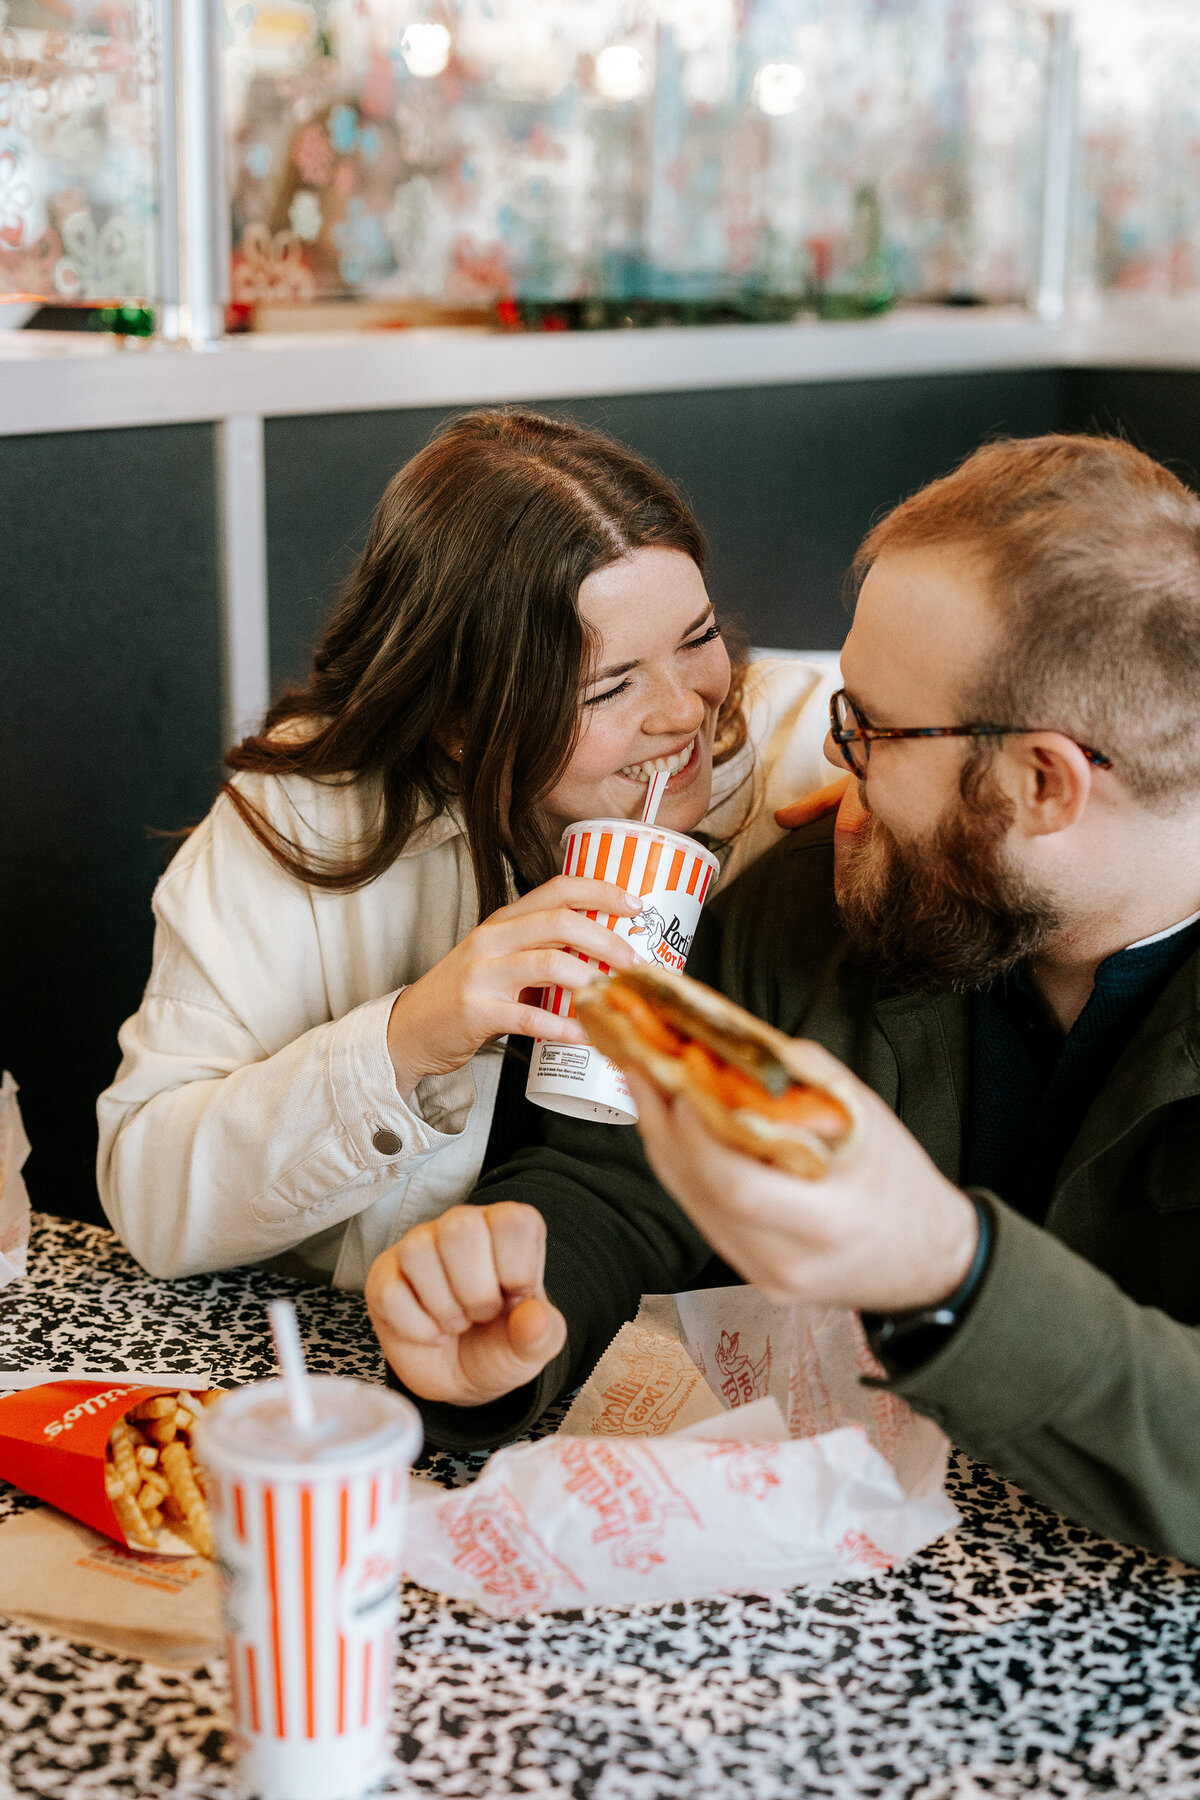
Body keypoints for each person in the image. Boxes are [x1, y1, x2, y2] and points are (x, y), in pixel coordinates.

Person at [367, 434, 1200, 1565]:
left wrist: (944, 1270)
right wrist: (513, 1298)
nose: (833, 765)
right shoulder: (830, 905)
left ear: (1042, 783)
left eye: (871, 728)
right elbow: (620, 1178)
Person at [98, 408, 836, 1287]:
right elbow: (148, 1194)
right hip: (439, 1355)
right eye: (610, 686)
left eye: (698, 639)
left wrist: (916, 779)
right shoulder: (310, 818)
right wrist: (410, 1037)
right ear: (460, 722)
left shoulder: (813, 749)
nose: (685, 709)